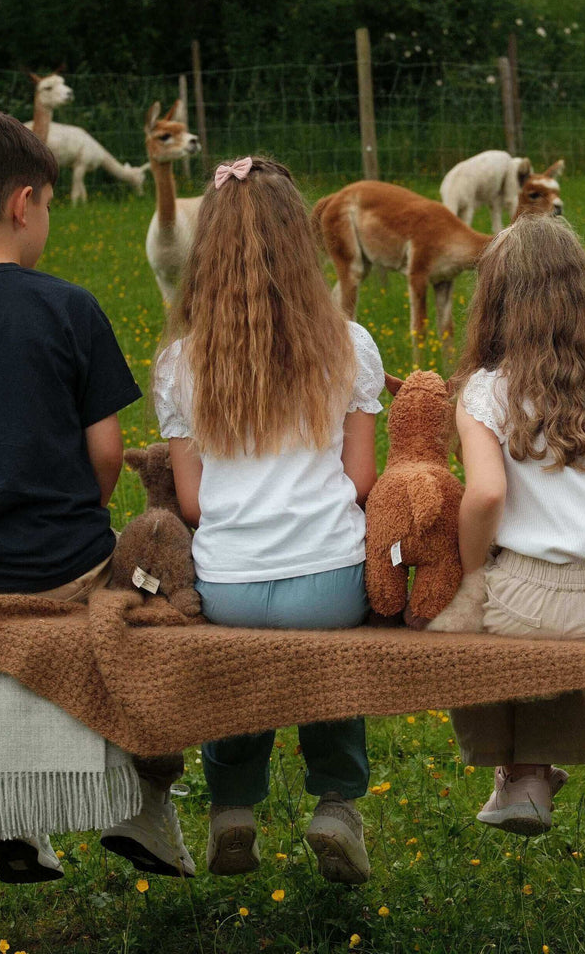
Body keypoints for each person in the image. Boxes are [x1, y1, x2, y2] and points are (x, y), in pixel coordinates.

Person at [0, 105, 193, 884]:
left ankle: (16, 821)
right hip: (61, 561)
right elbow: (108, 455)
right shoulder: (69, 309)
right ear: (24, 204)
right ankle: (145, 806)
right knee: (156, 606)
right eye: (48, 204)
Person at [152, 156, 384, 884]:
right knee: (329, 671)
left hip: (229, 585)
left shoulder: (180, 364)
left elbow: (192, 504)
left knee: (236, 678)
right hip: (332, 580)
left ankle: (231, 808)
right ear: (301, 243)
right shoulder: (350, 344)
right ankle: (337, 803)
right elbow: (362, 481)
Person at [447, 215, 585, 837]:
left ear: (494, 303)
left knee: (473, 605)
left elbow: (486, 493)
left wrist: (471, 572)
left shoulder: (485, 394)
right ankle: (534, 771)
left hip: (525, 602)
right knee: (568, 600)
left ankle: (513, 771)